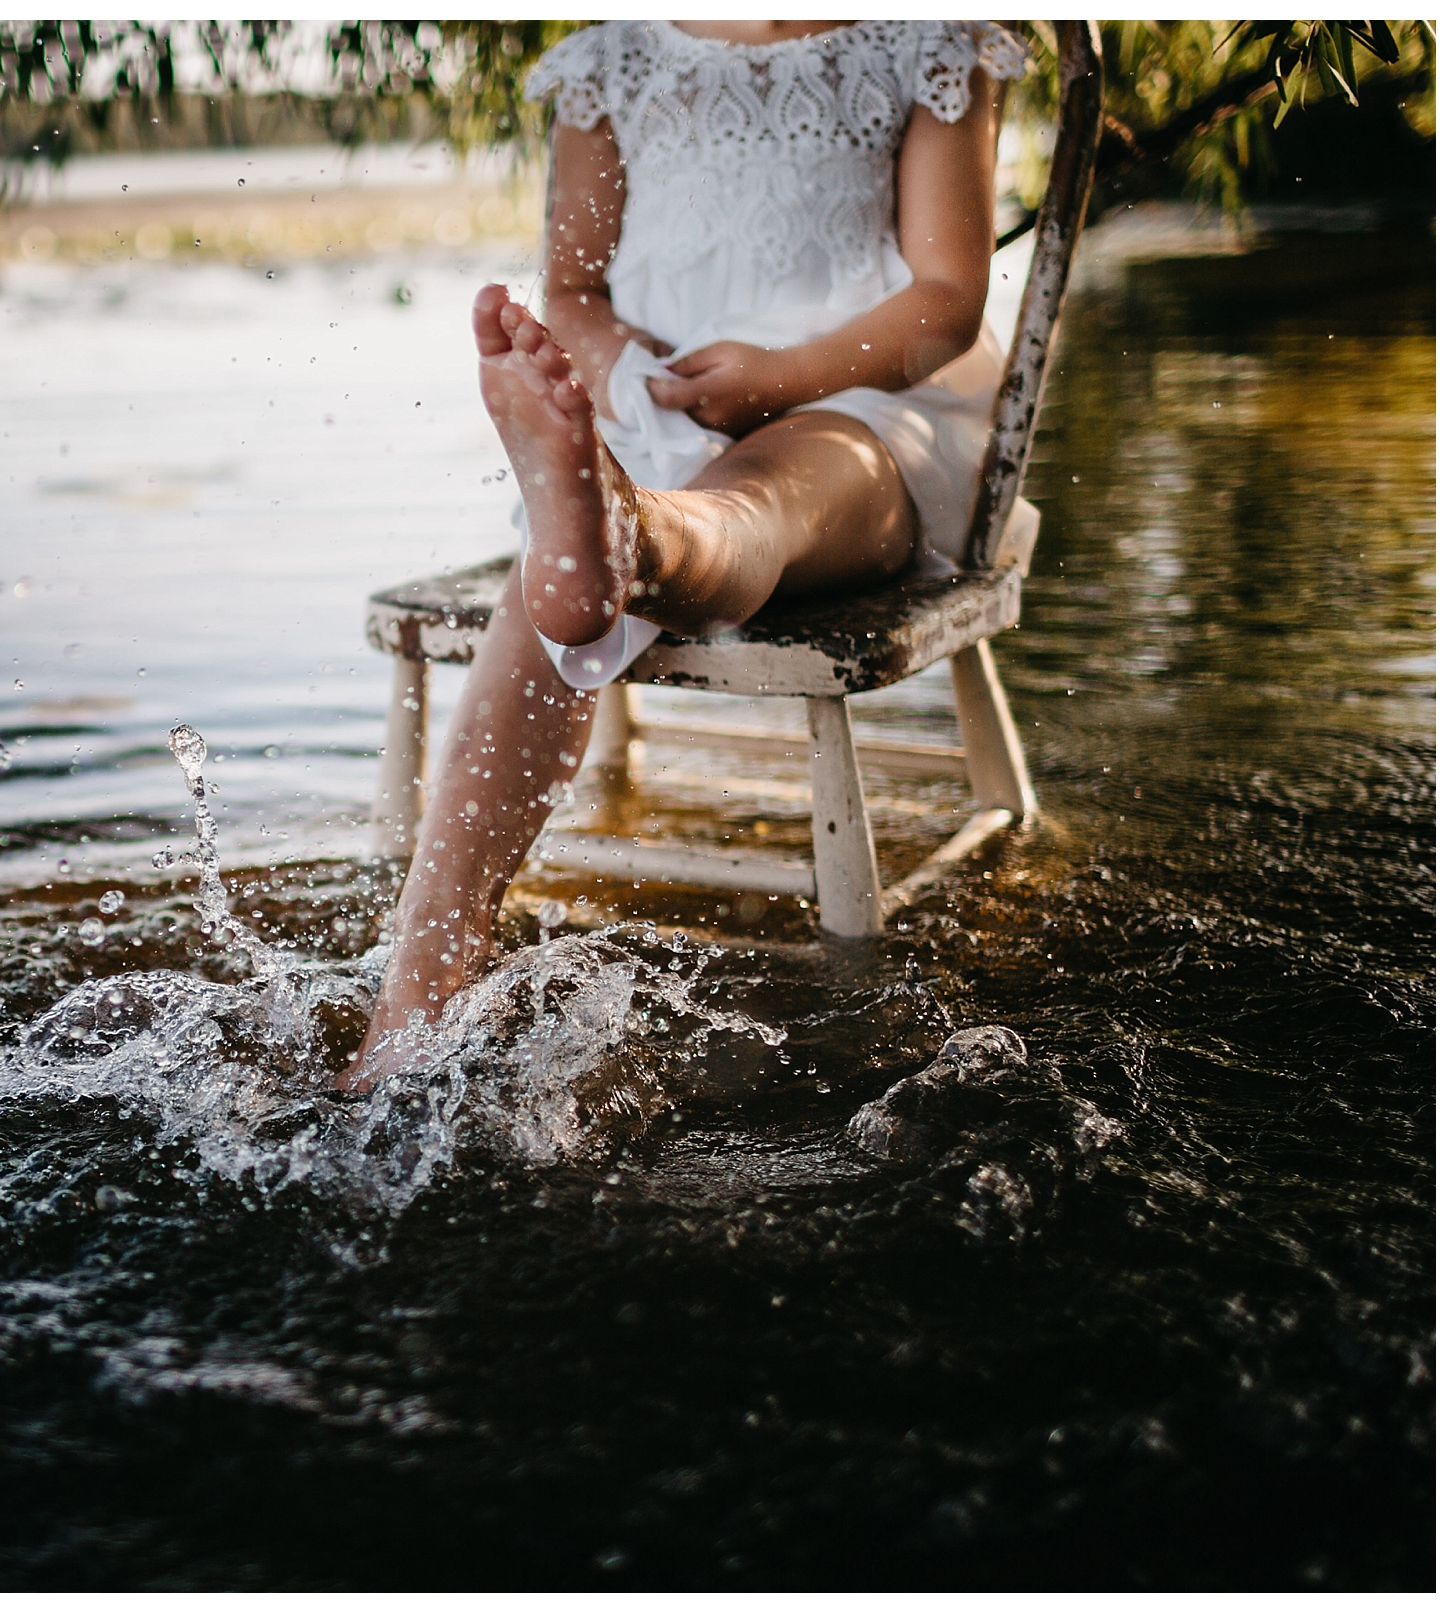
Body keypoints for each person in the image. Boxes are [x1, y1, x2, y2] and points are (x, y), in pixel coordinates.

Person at [346, 20, 1027, 1085]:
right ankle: (609, 522)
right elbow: (571, 295)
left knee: (758, 497)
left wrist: (779, 375)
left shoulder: (925, 39)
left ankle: (630, 533)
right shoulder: (614, 58)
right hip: (648, 414)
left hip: (858, 411)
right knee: (551, 597)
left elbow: (946, 303)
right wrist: (623, 383)